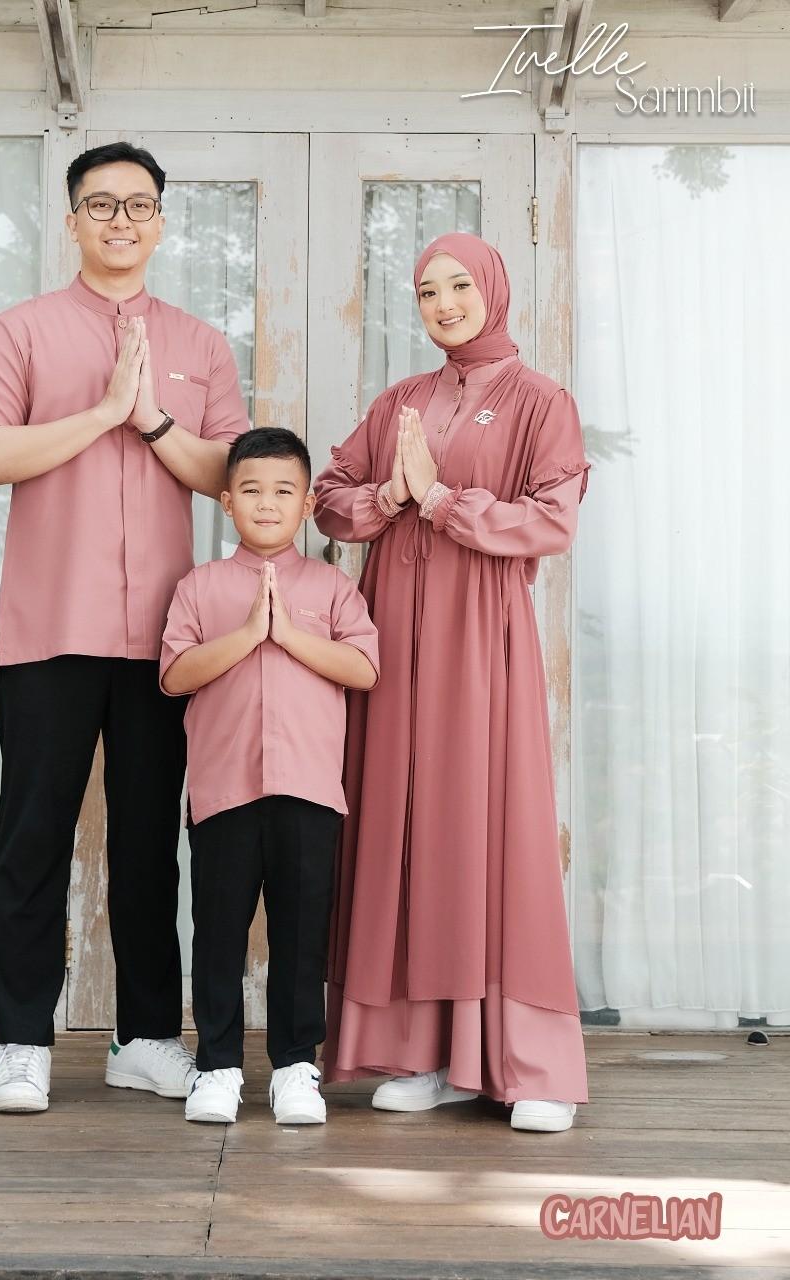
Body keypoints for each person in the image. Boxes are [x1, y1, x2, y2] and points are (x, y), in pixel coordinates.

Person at [0, 143, 250, 1114]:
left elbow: (229, 476)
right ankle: (22, 1041)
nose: (122, 220)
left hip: (166, 638)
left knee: (150, 843)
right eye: (103, 204)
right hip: (49, 629)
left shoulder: (201, 344)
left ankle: (145, 1037)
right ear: (73, 220)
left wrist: (152, 420)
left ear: (161, 221)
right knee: (33, 837)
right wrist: (105, 411)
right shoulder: (22, 331)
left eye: (139, 204)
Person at [312, 232, 591, 1134]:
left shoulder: (542, 401)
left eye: (460, 285)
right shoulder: (399, 400)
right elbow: (329, 499)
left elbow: (551, 522)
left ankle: (526, 1063)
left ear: (494, 289)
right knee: (405, 825)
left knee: (489, 825)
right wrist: (391, 497)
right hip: (392, 635)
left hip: (481, 636)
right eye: (428, 291)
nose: (444, 304)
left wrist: (437, 500)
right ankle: (424, 1053)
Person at [159, 428, 380, 1126]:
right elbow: (174, 675)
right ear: (226, 502)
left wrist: (288, 634)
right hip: (223, 792)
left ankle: (295, 1067)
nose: (267, 504)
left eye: (284, 491)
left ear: (308, 504)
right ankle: (218, 1066)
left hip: (309, 792)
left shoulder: (332, 588)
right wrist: (248, 634)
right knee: (218, 933)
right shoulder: (199, 587)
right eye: (251, 490)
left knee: (301, 934)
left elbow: (364, 669)